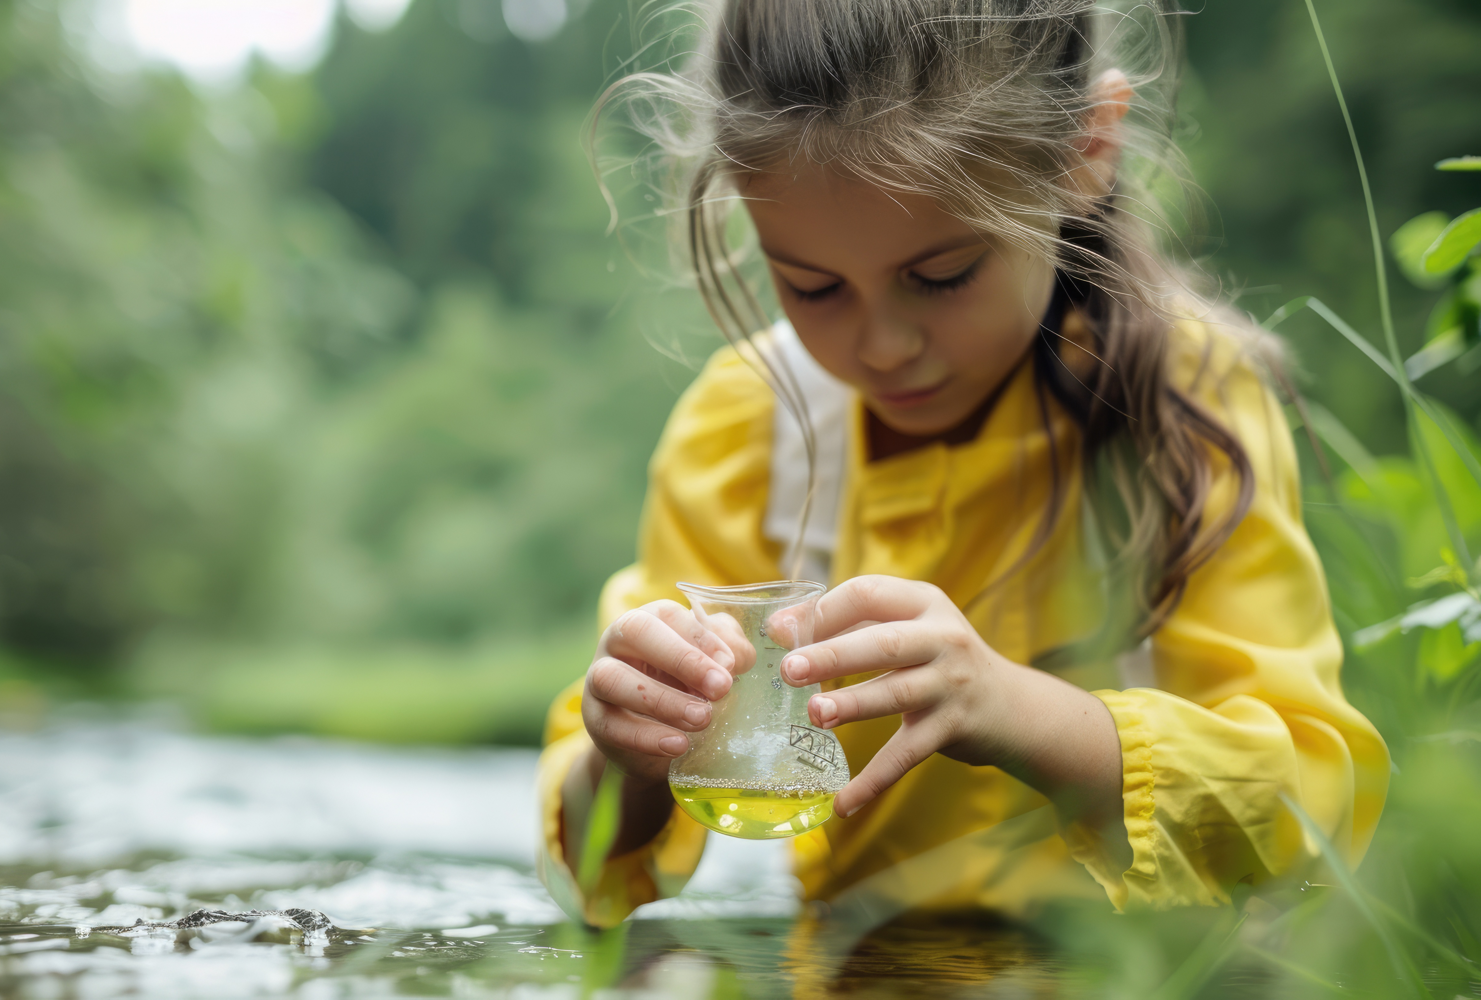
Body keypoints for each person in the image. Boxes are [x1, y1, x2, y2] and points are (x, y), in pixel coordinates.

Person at [536, 0, 1390, 928]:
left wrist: (1014, 711)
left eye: (941, 275)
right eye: (812, 286)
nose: (883, 344)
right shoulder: (746, 430)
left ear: (1086, 150)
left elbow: (1307, 810)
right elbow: (591, 878)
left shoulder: (1187, 404)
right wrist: (626, 753)